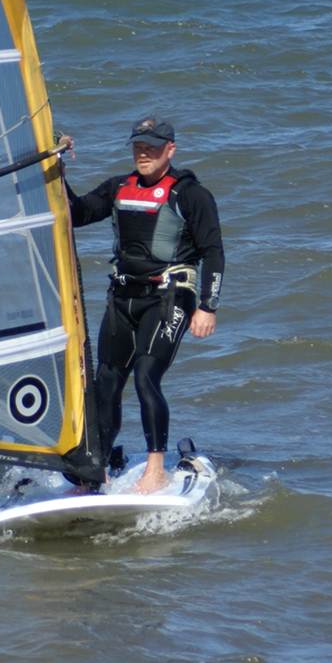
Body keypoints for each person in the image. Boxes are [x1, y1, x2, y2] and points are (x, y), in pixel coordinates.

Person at [62, 116, 224, 494]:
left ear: (170, 149)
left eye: (152, 146)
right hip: (122, 298)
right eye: (138, 145)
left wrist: (208, 306)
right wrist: (56, 170)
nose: (143, 152)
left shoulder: (190, 195)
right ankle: (95, 469)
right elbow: (78, 214)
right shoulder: (120, 187)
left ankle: (156, 470)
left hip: (169, 297)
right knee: (106, 382)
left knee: (146, 376)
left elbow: (213, 252)